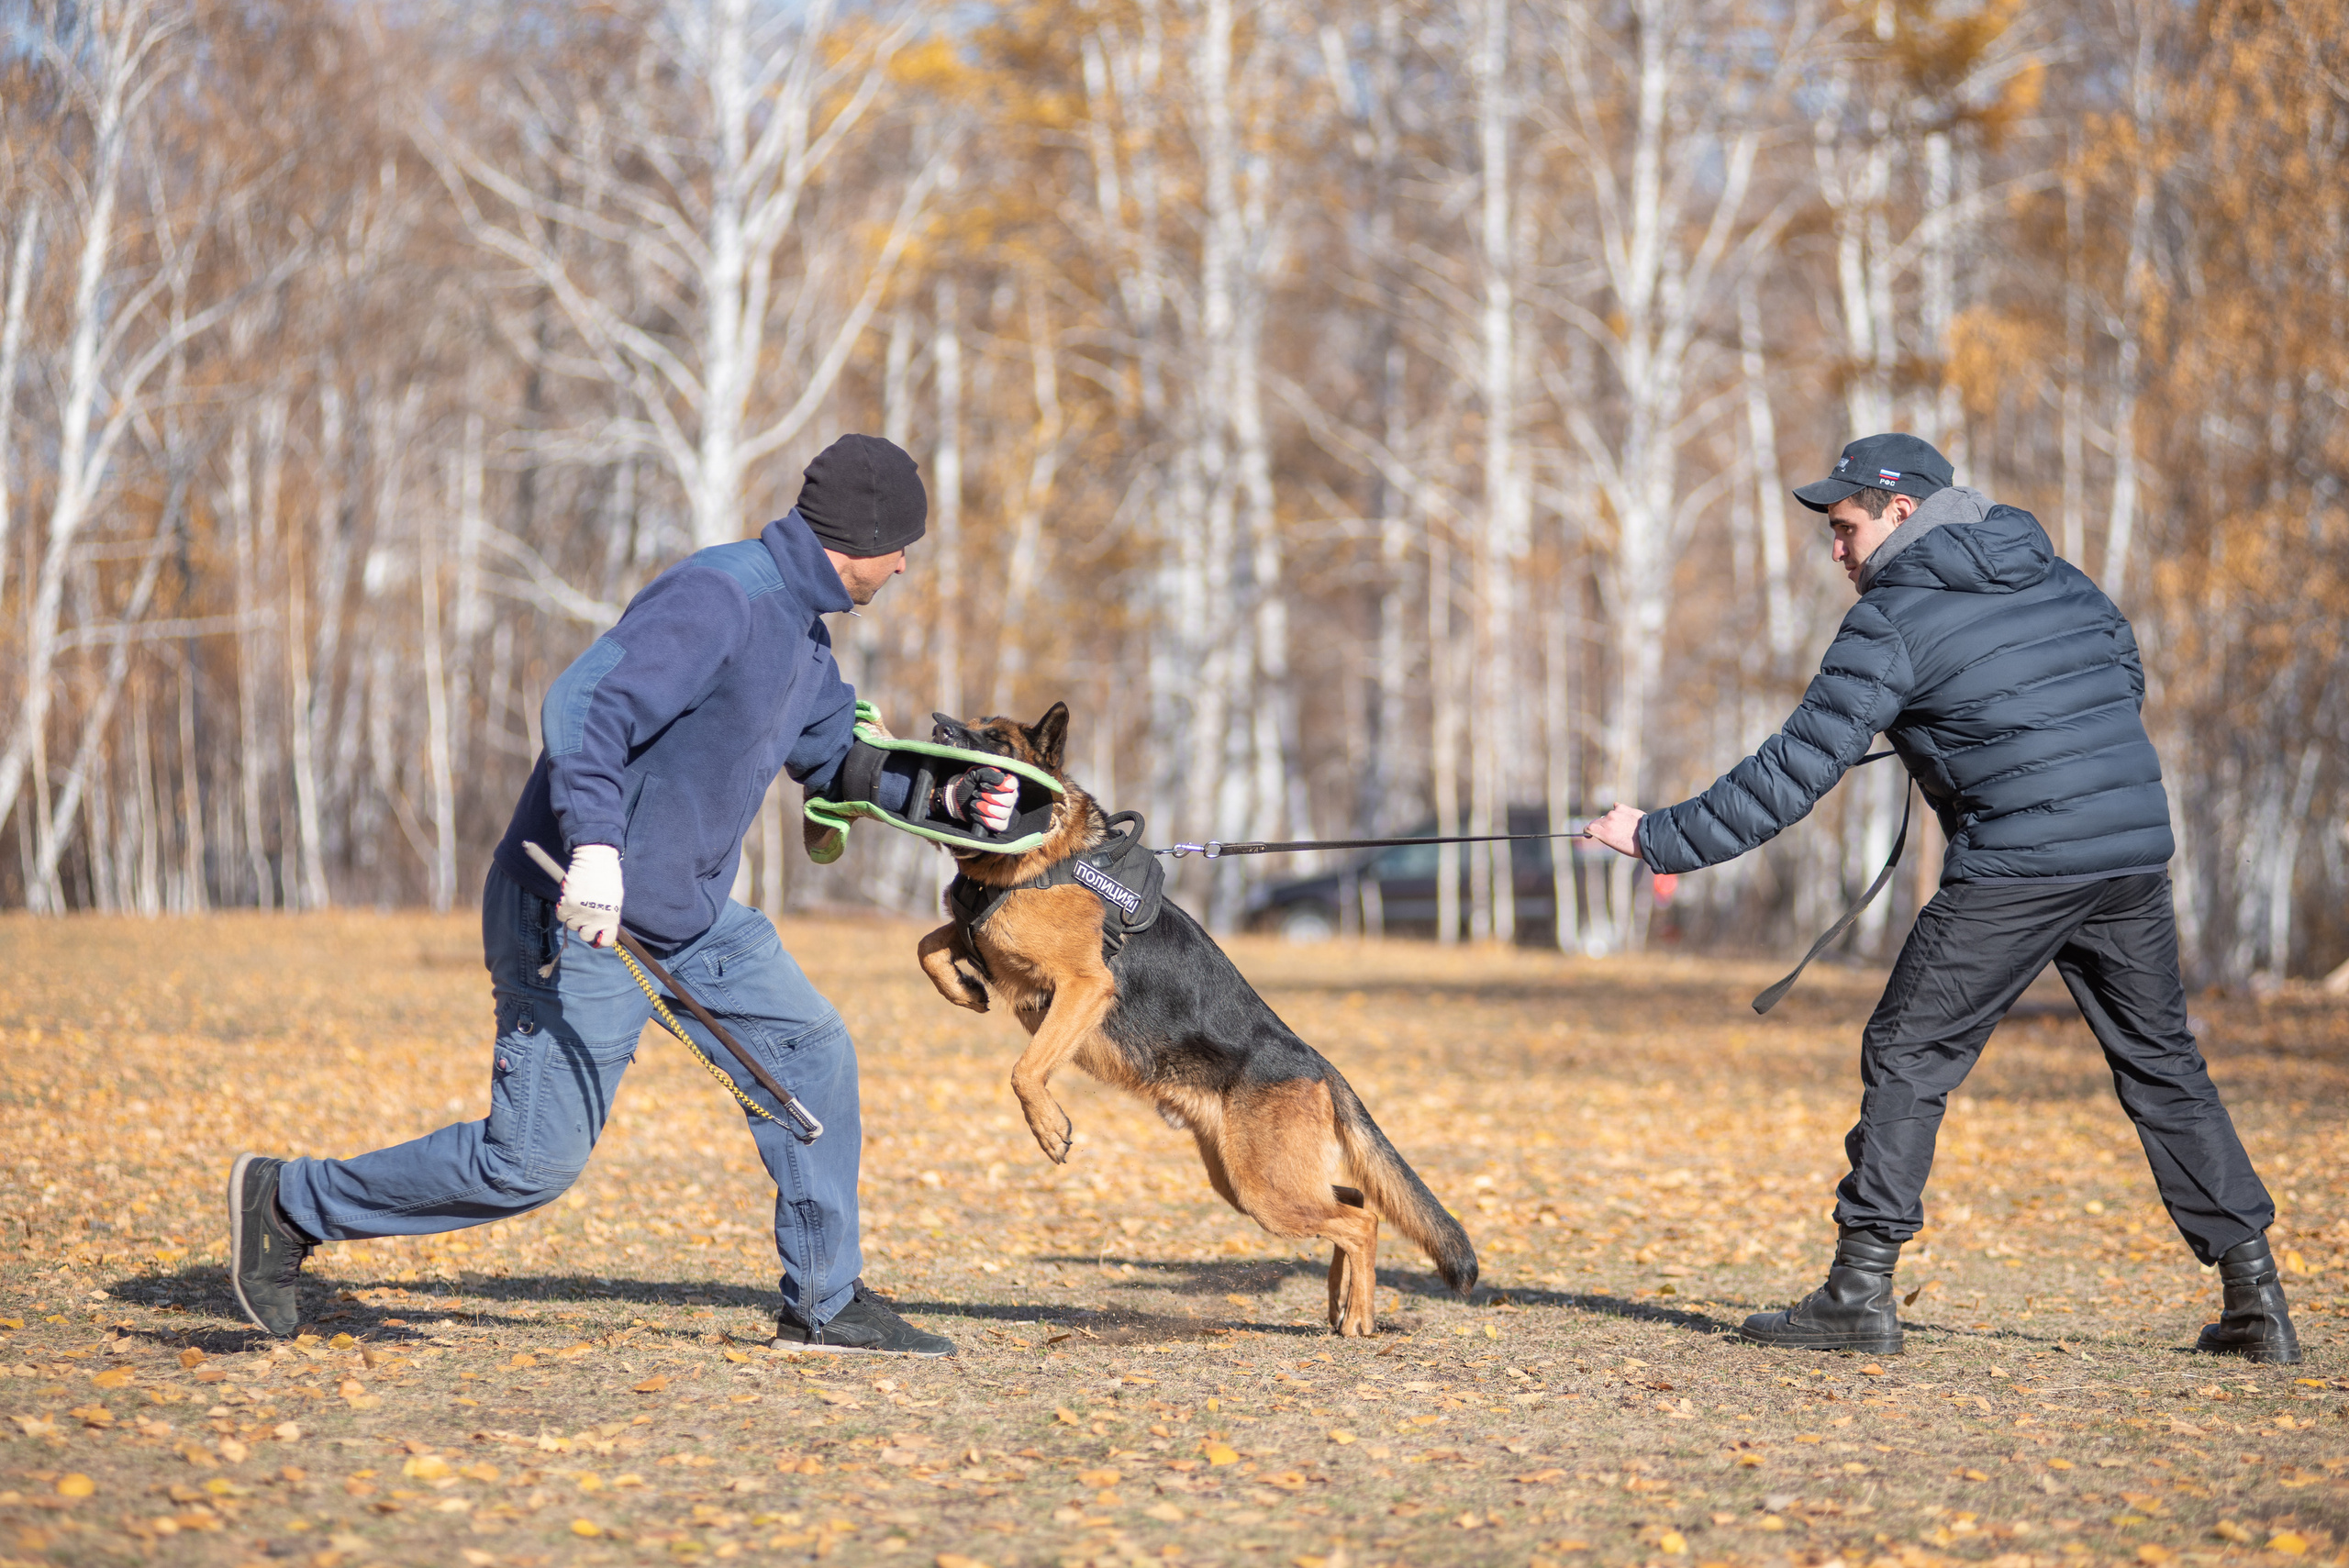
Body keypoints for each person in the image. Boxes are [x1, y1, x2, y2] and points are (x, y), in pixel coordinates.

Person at [227, 433, 1009, 1356]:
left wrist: (948, 795)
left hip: (686, 913)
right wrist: (595, 848)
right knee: (527, 1165)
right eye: (901, 544)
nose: (906, 561)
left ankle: (826, 1301)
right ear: (859, 536)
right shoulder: (721, 596)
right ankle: (286, 1200)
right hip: (579, 912)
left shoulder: (800, 629)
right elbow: (585, 704)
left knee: (813, 1050)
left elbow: (835, 754)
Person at [1585, 432, 2299, 1362]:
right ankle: (2257, 1299)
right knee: (2163, 1063)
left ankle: (1856, 1291)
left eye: (1844, 528)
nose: (1834, 549)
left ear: (1901, 512)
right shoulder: (2058, 575)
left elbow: (1788, 771)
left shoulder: (1894, 617)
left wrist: (1654, 835)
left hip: (2021, 860)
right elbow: (2120, 677)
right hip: (2126, 852)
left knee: (1908, 1049)